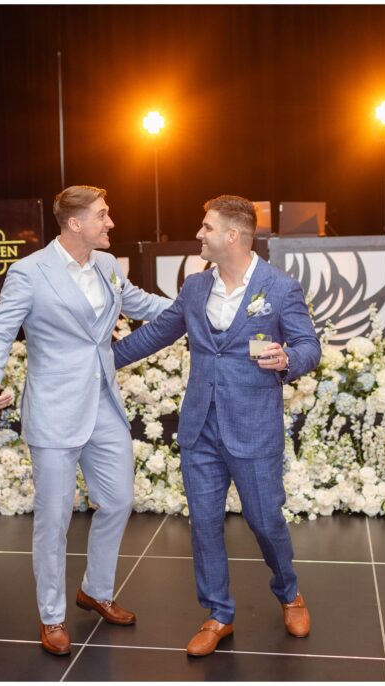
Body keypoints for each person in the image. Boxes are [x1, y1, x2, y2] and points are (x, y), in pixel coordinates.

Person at [113, 195, 321, 657]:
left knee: (265, 521)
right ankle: (218, 614)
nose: (200, 234)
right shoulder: (194, 287)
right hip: (200, 428)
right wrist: (101, 361)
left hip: (253, 427)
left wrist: (289, 358)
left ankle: (290, 592)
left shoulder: (278, 287)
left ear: (232, 235)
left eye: (207, 228)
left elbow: (309, 345)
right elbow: (156, 332)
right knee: (205, 525)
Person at [0, 185, 171, 656]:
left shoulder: (107, 265)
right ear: (75, 224)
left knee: (119, 500)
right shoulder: (30, 271)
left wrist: (202, 308)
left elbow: (143, 304)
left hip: (103, 403)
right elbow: (1, 327)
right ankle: (53, 616)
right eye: (103, 215)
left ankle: (95, 591)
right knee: (54, 519)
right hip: (54, 409)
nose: (111, 223)